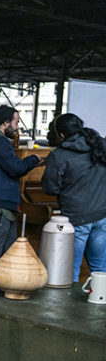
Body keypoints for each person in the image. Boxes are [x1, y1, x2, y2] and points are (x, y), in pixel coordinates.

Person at [0, 105, 43, 261]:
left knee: (4, 256)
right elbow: (15, 168)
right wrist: (33, 159)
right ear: (5, 123)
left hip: (0, 208)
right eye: (16, 122)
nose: (17, 127)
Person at [41, 113, 106, 281]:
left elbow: (50, 188)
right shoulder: (100, 145)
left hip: (75, 218)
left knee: (69, 269)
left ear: (61, 134)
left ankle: (69, 307)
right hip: (102, 215)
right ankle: (100, 301)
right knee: (100, 269)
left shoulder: (59, 155)